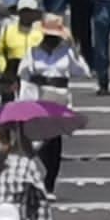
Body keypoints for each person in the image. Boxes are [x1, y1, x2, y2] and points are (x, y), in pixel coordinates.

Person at [18, 13, 89, 191]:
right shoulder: (33, 52)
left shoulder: (67, 52)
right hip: (39, 98)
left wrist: (74, 50)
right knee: (40, 143)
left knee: (54, 143)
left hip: (59, 99)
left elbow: (82, 72)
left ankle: (50, 183)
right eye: (48, 36)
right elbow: (24, 75)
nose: (51, 40)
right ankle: (42, 178)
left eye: (54, 37)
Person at [0, 0, 45, 76]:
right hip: (11, 72)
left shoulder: (41, 32)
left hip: (34, 75)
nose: (27, 14)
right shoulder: (8, 30)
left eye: (30, 11)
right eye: (24, 11)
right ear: (19, 12)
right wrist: (2, 67)